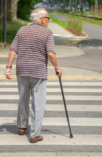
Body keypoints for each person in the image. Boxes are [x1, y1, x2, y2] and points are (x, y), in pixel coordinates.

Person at [5, 8, 62, 143]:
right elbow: (50, 53)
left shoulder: (22, 30)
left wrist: (8, 67)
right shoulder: (47, 33)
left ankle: (21, 126)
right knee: (38, 103)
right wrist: (57, 68)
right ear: (42, 19)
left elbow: (13, 50)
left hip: (22, 70)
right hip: (38, 71)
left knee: (23, 99)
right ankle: (34, 134)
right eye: (48, 19)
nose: (48, 22)